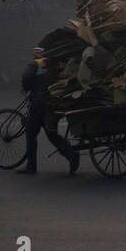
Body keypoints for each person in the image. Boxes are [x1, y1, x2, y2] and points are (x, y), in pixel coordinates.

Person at [20, 46, 79, 175]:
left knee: (30, 134)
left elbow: (26, 77)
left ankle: (31, 166)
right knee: (52, 134)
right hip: (51, 104)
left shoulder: (35, 64)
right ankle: (71, 154)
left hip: (38, 104)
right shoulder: (53, 65)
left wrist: (27, 87)